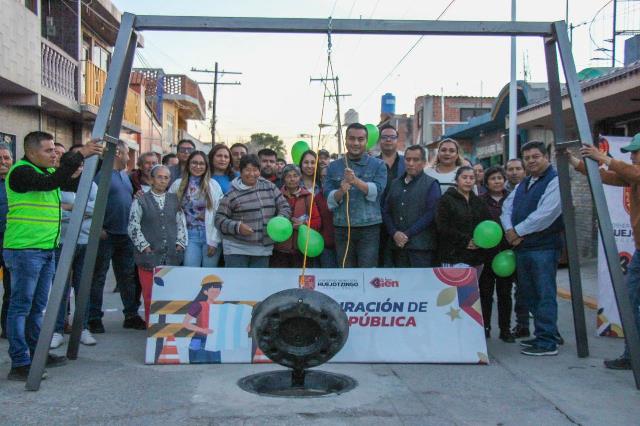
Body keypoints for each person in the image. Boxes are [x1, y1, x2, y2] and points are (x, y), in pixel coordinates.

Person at [4, 131, 102, 381]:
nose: (54, 155)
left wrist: (88, 159)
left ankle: (37, 354)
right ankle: (20, 362)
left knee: (38, 308)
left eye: (55, 151)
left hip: (46, 249)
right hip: (25, 250)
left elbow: (69, 181)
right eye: (48, 151)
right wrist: (79, 154)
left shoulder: (48, 173)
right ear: (31, 151)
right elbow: (51, 182)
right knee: (21, 307)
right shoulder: (21, 172)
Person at [567, 135, 640, 369]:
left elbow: (630, 172)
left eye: (635, 152)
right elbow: (606, 177)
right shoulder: (634, 175)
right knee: (630, 300)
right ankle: (633, 354)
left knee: (631, 299)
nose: (632, 156)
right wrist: (576, 163)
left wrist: (604, 158)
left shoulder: (636, 173)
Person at [501, 141, 563, 356]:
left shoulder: (555, 181)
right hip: (523, 248)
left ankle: (548, 341)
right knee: (530, 294)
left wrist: (517, 231)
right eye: (527, 158)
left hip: (543, 248)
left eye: (535, 157)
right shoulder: (524, 183)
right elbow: (507, 208)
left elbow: (546, 214)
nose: (531, 161)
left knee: (544, 294)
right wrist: (509, 230)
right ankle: (542, 335)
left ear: (546, 157)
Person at [89, 140, 145, 334]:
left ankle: (131, 315)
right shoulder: (101, 176)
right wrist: (98, 228)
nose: (129, 158)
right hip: (106, 235)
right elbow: (93, 202)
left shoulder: (124, 176)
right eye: (127, 153)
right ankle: (94, 318)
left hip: (125, 235)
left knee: (127, 277)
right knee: (98, 277)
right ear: (118, 153)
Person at [50, 144, 99, 349]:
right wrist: (79, 211)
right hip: (62, 241)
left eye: (81, 165)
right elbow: (54, 210)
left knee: (82, 287)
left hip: (85, 241)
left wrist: (69, 208)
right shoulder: (57, 182)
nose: (79, 168)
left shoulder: (91, 184)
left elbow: (95, 208)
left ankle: (83, 328)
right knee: (60, 288)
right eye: (75, 165)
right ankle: (56, 330)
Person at [129, 165, 187, 324]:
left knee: (169, 294)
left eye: (166, 178)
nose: (162, 180)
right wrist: (144, 246)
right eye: (159, 177)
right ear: (152, 179)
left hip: (171, 255)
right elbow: (133, 226)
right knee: (150, 295)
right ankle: (152, 327)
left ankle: (168, 327)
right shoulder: (140, 200)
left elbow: (181, 223)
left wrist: (180, 243)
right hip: (148, 255)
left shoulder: (174, 200)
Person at [324, 123, 387, 267]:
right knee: (345, 272)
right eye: (352, 139)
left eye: (360, 139)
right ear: (345, 140)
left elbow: (378, 191)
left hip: (369, 228)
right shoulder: (333, 166)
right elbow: (329, 199)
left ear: (366, 141)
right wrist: (341, 191)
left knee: (367, 272)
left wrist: (355, 181)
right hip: (342, 228)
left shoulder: (378, 165)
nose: (356, 143)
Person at [215, 154, 291, 267]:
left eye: (255, 170)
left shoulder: (269, 187)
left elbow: (284, 206)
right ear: (240, 171)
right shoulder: (231, 193)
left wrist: (280, 219)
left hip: (263, 250)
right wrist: (237, 227)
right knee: (237, 279)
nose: (251, 174)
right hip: (237, 249)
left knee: (259, 279)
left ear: (259, 171)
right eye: (247, 170)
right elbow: (219, 219)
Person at [383, 145, 441, 267]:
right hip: (396, 247)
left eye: (416, 160)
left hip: (421, 248)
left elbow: (431, 213)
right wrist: (394, 233)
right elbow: (386, 211)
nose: (411, 163)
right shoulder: (395, 183)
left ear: (424, 162)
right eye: (408, 159)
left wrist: (407, 234)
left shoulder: (431, 184)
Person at [478, 166, 515, 342]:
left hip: (506, 254)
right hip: (486, 253)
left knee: (505, 294)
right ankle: (484, 327)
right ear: (486, 182)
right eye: (493, 178)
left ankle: (505, 329)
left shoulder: (512, 198)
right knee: (485, 294)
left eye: (500, 178)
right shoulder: (480, 201)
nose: (497, 181)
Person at [169, 151, 223, 267]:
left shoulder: (214, 185)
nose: (198, 166)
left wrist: (214, 241)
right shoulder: (177, 184)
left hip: (210, 236)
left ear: (206, 166)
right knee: (190, 271)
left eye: (201, 163)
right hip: (189, 236)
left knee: (209, 273)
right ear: (188, 164)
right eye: (194, 163)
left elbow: (219, 214)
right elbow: (169, 210)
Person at [435, 166, 491, 274]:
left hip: (476, 256)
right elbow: (442, 226)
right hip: (452, 256)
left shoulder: (479, 202)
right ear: (456, 180)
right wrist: (465, 241)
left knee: (473, 285)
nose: (468, 181)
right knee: (455, 285)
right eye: (464, 177)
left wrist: (479, 242)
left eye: (471, 178)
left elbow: (486, 224)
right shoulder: (446, 200)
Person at [271, 164, 321, 267]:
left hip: (302, 250)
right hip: (280, 250)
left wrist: (303, 225)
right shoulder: (276, 196)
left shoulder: (308, 197)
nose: (292, 179)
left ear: (300, 177)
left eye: (295, 175)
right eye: (288, 176)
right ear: (283, 179)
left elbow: (317, 221)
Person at [503, 157, 530, 338]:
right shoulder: (501, 190)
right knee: (516, 290)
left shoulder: (531, 188)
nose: (514, 172)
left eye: (518, 169)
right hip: (505, 248)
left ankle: (549, 330)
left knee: (532, 289)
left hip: (528, 243)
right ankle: (522, 325)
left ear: (524, 171)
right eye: (510, 169)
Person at [299, 150, 337, 268]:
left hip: (324, 237)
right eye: (306, 162)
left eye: (313, 162)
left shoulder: (323, 184)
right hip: (302, 237)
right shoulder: (294, 183)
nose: (309, 166)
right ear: (301, 164)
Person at [378, 124, 406, 267]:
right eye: (384, 137)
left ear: (397, 140)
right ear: (379, 140)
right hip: (377, 221)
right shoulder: (372, 163)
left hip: (400, 220)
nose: (388, 140)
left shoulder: (407, 162)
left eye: (392, 137)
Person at [182, 275, 224, 363]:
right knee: (197, 364)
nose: (215, 293)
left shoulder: (218, 306)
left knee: (215, 365)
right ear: (205, 291)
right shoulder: (198, 305)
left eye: (217, 291)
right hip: (198, 340)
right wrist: (202, 330)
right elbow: (185, 323)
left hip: (213, 342)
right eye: (212, 291)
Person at [0, 144, 14, 339]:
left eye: (6, 158)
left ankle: (8, 329)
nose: (3, 162)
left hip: (12, 242)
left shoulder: (17, 182)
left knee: (12, 289)